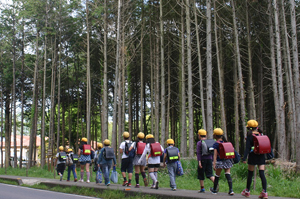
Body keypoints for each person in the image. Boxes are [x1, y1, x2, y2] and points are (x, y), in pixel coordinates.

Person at [241, 120, 268, 199]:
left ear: (249, 127)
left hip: (253, 156)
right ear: (257, 127)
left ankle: (247, 191)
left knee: (250, 174)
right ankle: (265, 192)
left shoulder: (250, 135)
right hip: (261, 155)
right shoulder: (261, 134)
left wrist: (244, 158)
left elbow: (247, 148)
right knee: (262, 173)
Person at [210, 128, 234, 195]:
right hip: (227, 161)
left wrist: (214, 163)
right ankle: (231, 190)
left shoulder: (216, 144)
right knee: (228, 174)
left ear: (215, 136)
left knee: (217, 175)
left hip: (219, 161)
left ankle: (214, 190)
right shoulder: (225, 142)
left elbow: (215, 155)